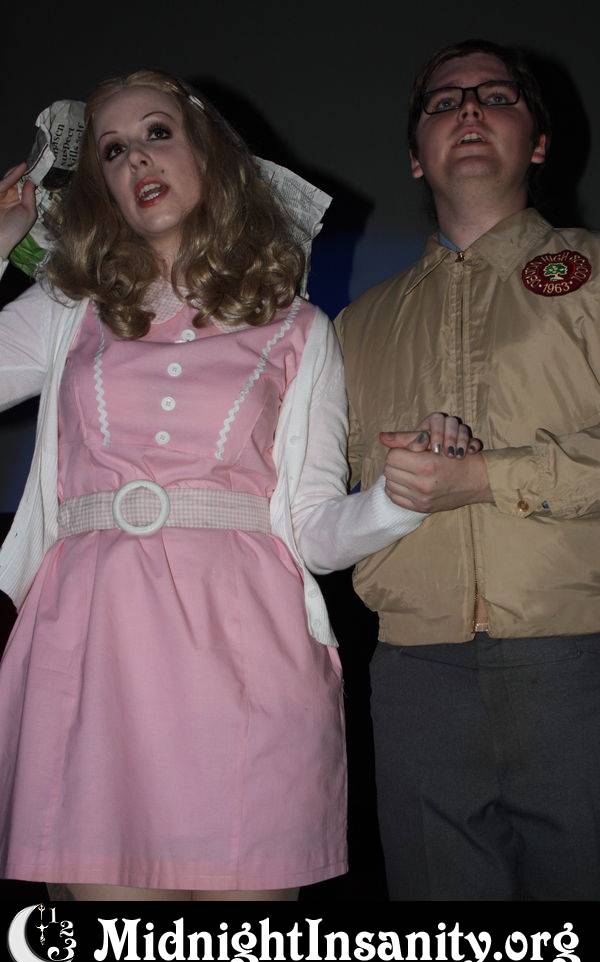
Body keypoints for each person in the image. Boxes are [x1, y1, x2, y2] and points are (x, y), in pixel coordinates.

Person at [0, 69, 457, 902]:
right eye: (112, 150)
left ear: (208, 152)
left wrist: (397, 498)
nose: (137, 158)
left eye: (157, 132)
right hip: (91, 641)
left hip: (245, 649)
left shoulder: (299, 327)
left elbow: (312, 529)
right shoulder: (68, 306)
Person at [336, 38, 600, 901]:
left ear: (539, 142)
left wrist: (488, 476)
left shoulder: (596, 274)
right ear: (417, 157)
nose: (471, 109)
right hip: (413, 678)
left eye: (496, 95)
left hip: (579, 654)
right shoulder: (353, 328)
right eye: (444, 102)